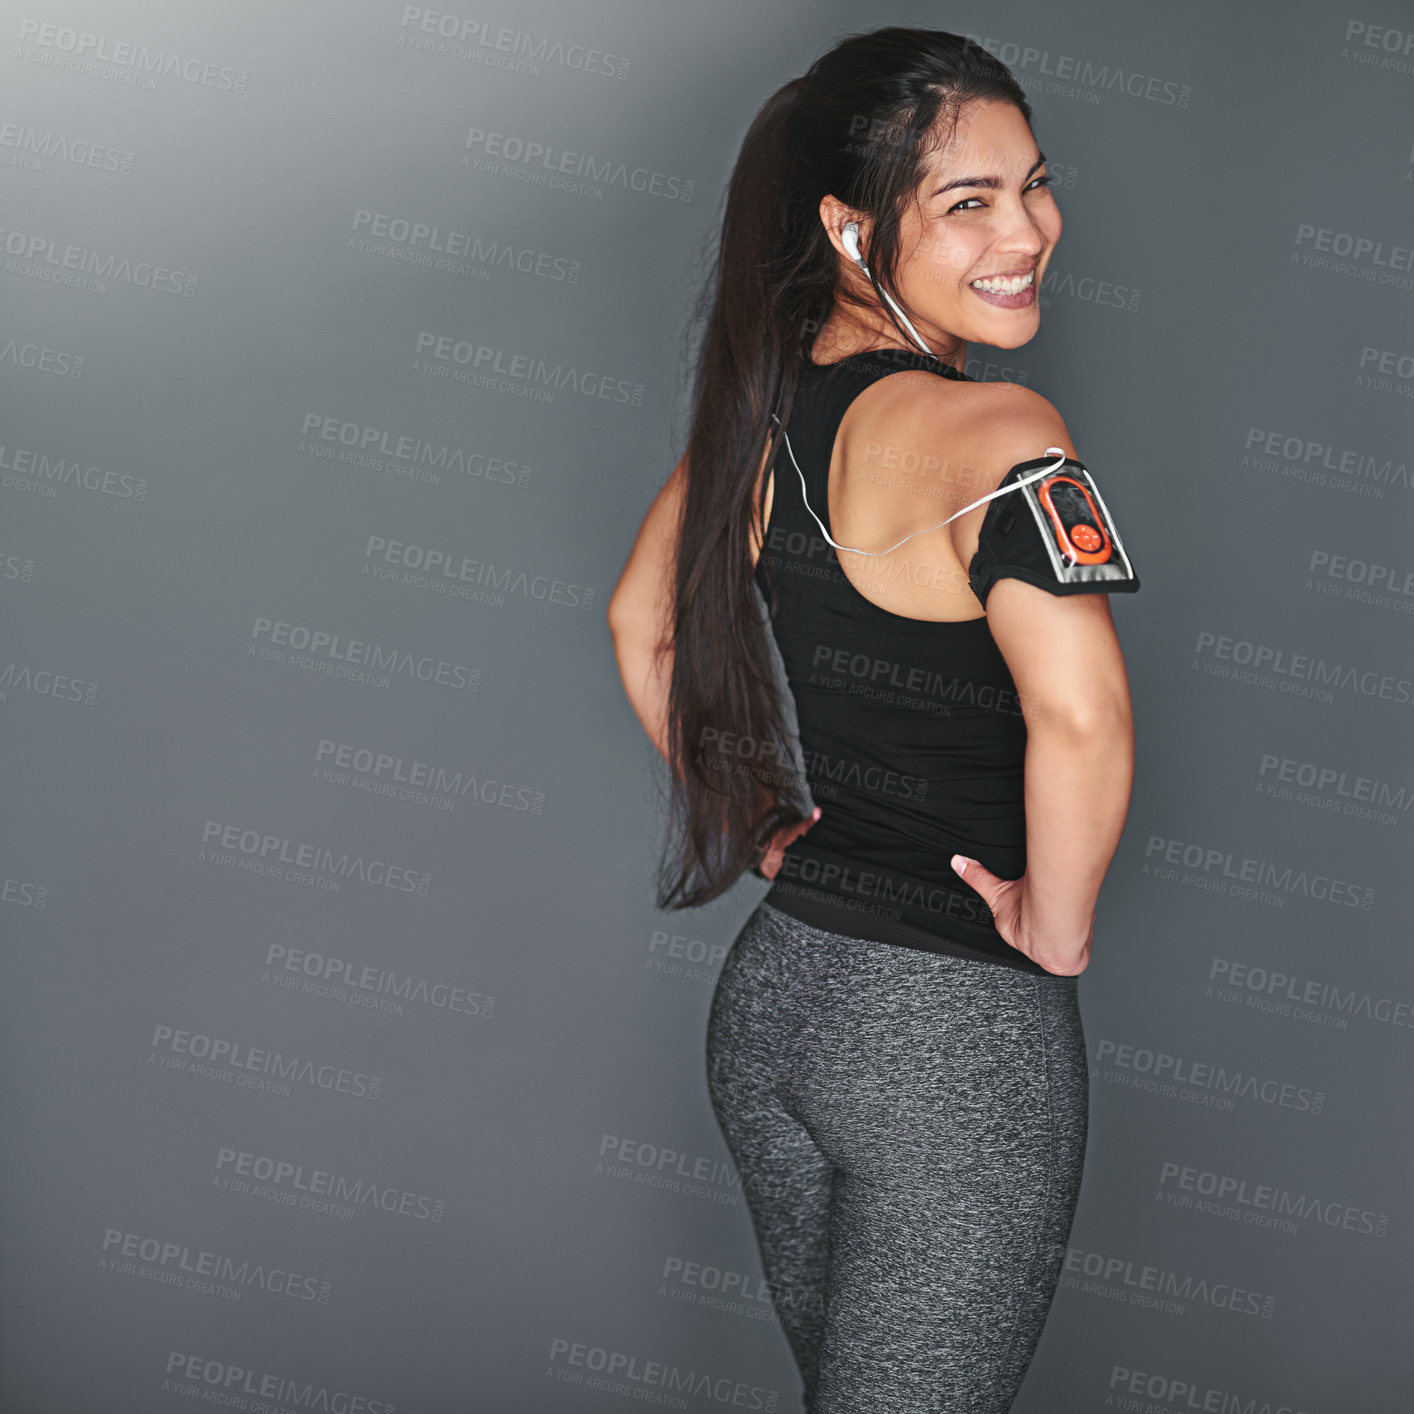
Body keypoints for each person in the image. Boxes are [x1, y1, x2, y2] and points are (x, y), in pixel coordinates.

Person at [606, 26, 1139, 1414]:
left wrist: (754, 819)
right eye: (968, 202)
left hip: (775, 1004)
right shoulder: (1005, 434)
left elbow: (639, 623)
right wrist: (1057, 925)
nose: (1026, 231)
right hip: (946, 1045)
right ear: (851, 227)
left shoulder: (762, 405)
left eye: (1033, 184)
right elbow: (1079, 714)